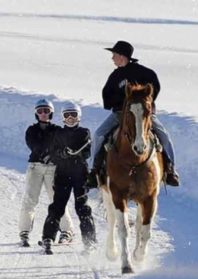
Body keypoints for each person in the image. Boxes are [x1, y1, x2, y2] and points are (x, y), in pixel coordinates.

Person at [88, 40, 179, 187]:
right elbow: (107, 96)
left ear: (122, 56)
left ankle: (170, 170)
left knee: (164, 136)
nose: (112, 58)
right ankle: (94, 171)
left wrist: (144, 105)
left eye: (114, 55)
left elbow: (154, 89)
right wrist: (121, 102)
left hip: (144, 115)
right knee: (99, 134)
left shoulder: (145, 73)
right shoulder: (115, 76)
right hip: (120, 114)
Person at [41, 101, 96, 253]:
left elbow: (87, 153)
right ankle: (48, 237)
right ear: (63, 117)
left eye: (73, 115)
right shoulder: (58, 133)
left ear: (79, 117)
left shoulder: (84, 132)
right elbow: (53, 153)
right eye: (67, 115)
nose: (70, 118)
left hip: (80, 175)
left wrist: (76, 153)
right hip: (63, 175)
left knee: (82, 208)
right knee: (57, 206)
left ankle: (90, 241)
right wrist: (61, 154)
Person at [19, 99, 74, 247]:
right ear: (36, 114)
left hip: (52, 168)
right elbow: (33, 144)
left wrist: (54, 156)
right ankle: (24, 232)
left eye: (46, 111)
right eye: (40, 111)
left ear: (51, 113)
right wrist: (45, 154)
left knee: (57, 200)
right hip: (35, 167)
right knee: (30, 199)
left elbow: (62, 146)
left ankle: (67, 231)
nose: (43, 114)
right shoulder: (31, 130)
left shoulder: (57, 130)